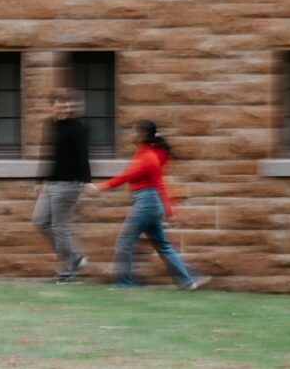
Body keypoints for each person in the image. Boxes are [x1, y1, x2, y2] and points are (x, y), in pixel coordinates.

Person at [85, 120, 210, 290]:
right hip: (148, 203)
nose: (130, 134)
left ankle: (124, 284)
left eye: (133, 131)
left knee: (124, 242)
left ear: (142, 136)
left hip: (147, 203)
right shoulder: (142, 155)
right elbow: (129, 177)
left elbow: (155, 184)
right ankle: (187, 282)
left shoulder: (148, 157)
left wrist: (100, 187)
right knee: (163, 246)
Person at [33, 88, 91, 284]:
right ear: (52, 106)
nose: (66, 109)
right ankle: (74, 257)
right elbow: (46, 153)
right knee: (40, 221)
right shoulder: (49, 123)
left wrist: (86, 181)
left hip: (68, 184)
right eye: (61, 105)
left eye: (68, 105)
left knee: (60, 228)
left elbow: (83, 155)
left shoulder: (77, 127)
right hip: (50, 183)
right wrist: (39, 181)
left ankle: (65, 274)